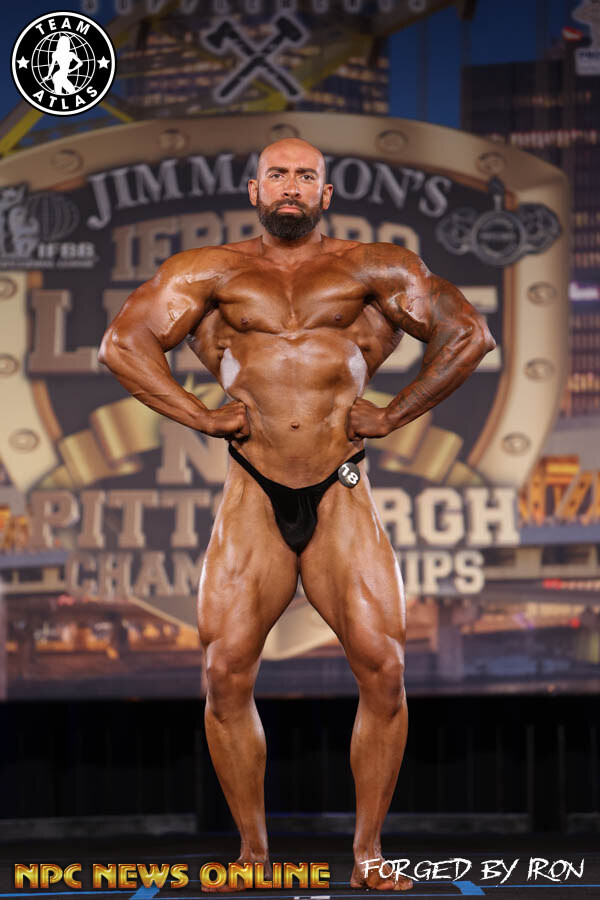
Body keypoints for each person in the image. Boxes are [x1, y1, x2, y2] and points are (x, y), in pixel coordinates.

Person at [99, 137, 495, 892]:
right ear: (254, 189)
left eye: (305, 176)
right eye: (277, 175)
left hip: (341, 489)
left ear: (325, 192)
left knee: (385, 670)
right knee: (223, 674)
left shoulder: (374, 268)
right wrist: (196, 414)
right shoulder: (208, 272)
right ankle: (253, 854)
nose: (291, 186)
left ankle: (369, 855)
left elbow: (469, 333)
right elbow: (123, 344)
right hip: (252, 490)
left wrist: (398, 412)